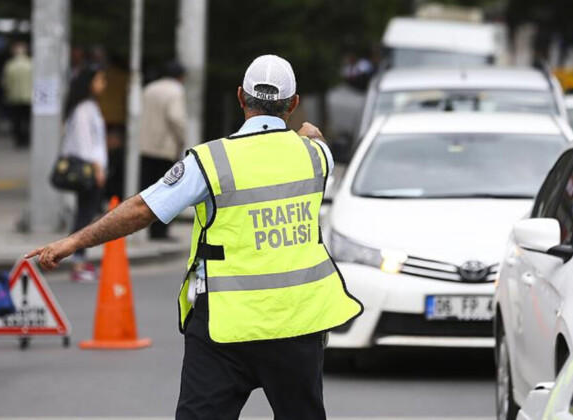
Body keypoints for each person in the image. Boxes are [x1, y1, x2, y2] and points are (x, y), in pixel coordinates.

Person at [26, 54, 363, 419]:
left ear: (240, 97)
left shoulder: (210, 161)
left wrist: (74, 242)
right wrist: (308, 134)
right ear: (294, 103)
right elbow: (312, 138)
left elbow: (142, 209)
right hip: (298, 325)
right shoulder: (316, 156)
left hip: (224, 327)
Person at [60, 66, 108, 283]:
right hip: (88, 169)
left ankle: (80, 258)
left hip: (93, 168)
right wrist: (97, 169)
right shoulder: (83, 109)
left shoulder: (89, 106)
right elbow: (85, 144)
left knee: (86, 213)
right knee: (84, 215)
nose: (103, 85)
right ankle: (78, 261)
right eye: (99, 80)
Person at [138, 60, 187, 240]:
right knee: (167, 191)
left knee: (149, 190)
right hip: (165, 148)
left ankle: (150, 229)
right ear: (181, 76)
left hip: (145, 146)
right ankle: (161, 232)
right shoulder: (176, 90)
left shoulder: (149, 88)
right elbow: (176, 117)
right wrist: (181, 139)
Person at [1, 42, 32, 148]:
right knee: (27, 120)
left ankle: (19, 139)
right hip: (29, 96)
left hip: (14, 97)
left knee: (17, 120)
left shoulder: (10, 65)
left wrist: (7, 93)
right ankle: (26, 139)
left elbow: (6, 82)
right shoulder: (31, 64)